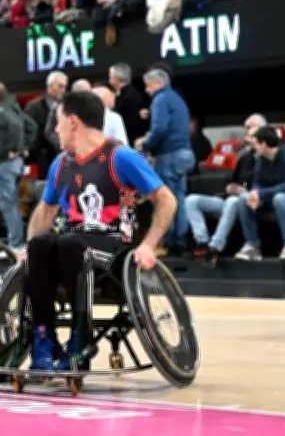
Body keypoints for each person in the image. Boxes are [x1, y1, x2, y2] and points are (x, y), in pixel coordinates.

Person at [24, 91, 176, 371]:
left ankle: (81, 338)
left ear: (73, 122)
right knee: (40, 246)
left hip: (114, 248)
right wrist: (28, 250)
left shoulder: (122, 157)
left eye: (58, 122)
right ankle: (44, 338)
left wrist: (149, 245)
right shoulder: (62, 162)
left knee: (70, 243)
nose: (55, 129)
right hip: (73, 244)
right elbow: (45, 211)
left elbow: (167, 200)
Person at [135, 67, 194, 256]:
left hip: (169, 155)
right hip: (184, 154)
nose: (147, 90)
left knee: (164, 200)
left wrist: (145, 145)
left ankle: (167, 243)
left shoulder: (160, 99)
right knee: (179, 199)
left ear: (159, 83)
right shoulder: (176, 98)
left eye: (148, 85)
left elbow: (160, 129)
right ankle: (181, 242)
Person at [235, 126, 285, 262]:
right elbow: (257, 181)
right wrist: (255, 193)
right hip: (271, 197)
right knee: (243, 198)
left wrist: (261, 193)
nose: (253, 148)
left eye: (256, 144)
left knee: (280, 198)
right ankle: (252, 245)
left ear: (263, 144)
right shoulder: (262, 159)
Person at [185, 125, 258, 265]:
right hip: (230, 197)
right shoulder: (245, 158)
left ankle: (215, 247)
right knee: (191, 200)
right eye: (247, 136)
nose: (248, 140)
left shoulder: (265, 160)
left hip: (247, 201)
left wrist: (244, 192)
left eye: (252, 136)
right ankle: (202, 242)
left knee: (232, 201)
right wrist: (230, 187)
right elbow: (232, 180)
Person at [0, 81, 30, 258]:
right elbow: (31, 127)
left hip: (5, 164)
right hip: (14, 163)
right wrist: (23, 148)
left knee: (8, 205)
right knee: (12, 204)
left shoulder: (2, 111)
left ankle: (15, 245)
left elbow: (16, 127)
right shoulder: (14, 108)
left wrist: (14, 149)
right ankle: (16, 243)